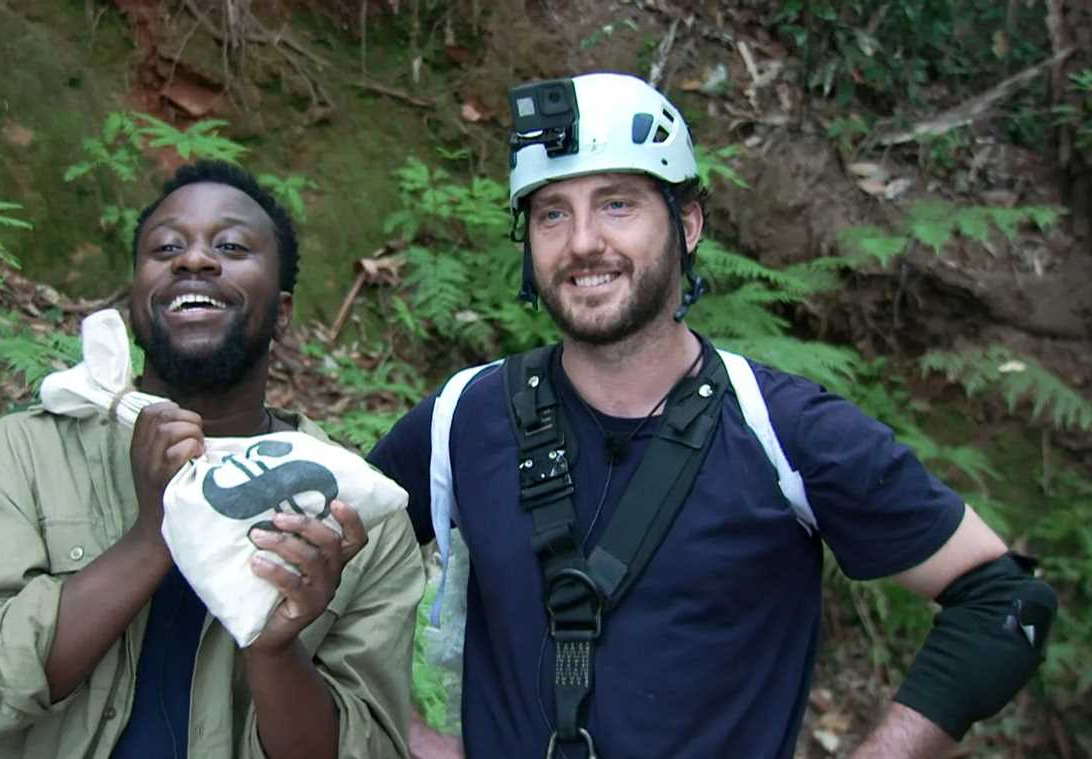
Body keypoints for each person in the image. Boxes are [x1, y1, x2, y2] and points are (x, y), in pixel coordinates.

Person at [368, 72, 1057, 758]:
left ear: (687, 223)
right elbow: (323, 573)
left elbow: (1004, 602)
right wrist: (404, 733)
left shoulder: (785, 432)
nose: (581, 242)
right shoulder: (466, 418)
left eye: (617, 204)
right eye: (552, 212)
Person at [0, 160, 425, 759]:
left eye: (230, 245)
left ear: (282, 313)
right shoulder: (21, 457)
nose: (194, 260)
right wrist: (151, 537)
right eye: (167, 247)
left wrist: (274, 645)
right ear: (134, 306)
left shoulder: (355, 511)